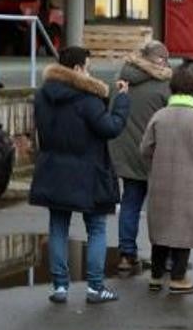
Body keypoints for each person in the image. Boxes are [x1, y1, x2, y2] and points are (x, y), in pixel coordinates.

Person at [31, 46, 129, 304]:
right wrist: (121, 102)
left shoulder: (42, 95)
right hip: (89, 172)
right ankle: (95, 287)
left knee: (58, 227)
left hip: (53, 168)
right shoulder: (87, 99)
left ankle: (59, 286)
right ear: (76, 69)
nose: (89, 71)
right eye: (87, 66)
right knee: (96, 228)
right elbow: (110, 128)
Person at [140, 66, 193, 294]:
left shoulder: (159, 116)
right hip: (191, 183)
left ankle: (156, 277)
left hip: (160, 182)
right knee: (183, 230)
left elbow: (145, 149)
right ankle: (178, 277)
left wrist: (155, 168)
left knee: (161, 230)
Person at [110, 41, 172, 273]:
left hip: (126, 153)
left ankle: (127, 254)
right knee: (161, 208)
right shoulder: (164, 86)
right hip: (156, 153)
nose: (166, 62)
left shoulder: (120, 81)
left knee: (130, 203)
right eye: (163, 58)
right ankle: (164, 257)